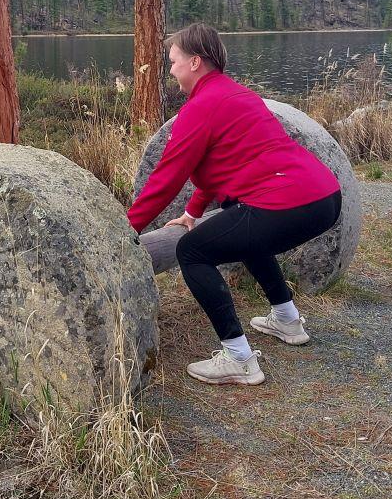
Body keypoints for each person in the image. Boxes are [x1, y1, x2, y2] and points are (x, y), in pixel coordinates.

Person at [126, 23, 342, 386]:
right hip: (325, 197)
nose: (171, 69)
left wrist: (126, 228)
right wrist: (193, 213)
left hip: (288, 199)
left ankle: (239, 358)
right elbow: (218, 164)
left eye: (174, 61)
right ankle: (287, 320)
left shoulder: (201, 107)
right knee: (242, 232)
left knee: (193, 251)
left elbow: (168, 176)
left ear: (195, 63)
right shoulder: (238, 95)